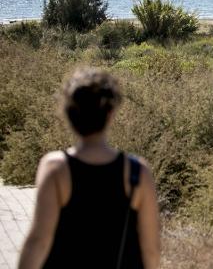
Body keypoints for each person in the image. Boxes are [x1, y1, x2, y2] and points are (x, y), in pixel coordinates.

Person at [18, 68, 160, 269]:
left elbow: (38, 242)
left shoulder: (56, 168)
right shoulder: (138, 172)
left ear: (69, 113)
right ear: (110, 115)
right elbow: (151, 250)